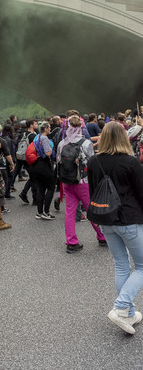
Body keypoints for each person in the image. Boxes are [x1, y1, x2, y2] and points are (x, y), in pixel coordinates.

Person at [87, 121, 143, 334]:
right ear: (123, 137)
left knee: (121, 265)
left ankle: (128, 313)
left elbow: (94, 191)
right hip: (129, 219)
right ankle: (120, 308)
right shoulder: (130, 162)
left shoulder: (94, 161)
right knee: (141, 266)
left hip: (106, 219)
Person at [56, 116, 106, 253]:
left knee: (69, 211)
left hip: (67, 181)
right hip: (83, 182)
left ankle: (71, 241)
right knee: (92, 210)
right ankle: (102, 236)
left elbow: (58, 160)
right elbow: (91, 162)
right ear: (81, 128)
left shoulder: (62, 144)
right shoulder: (86, 143)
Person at [30, 122, 56, 219]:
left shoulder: (36, 137)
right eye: (49, 127)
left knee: (41, 189)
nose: (50, 129)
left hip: (36, 164)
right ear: (45, 129)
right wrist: (52, 149)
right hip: (44, 164)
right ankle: (46, 212)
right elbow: (48, 153)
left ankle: (39, 212)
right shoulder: (44, 138)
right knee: (51, 187)